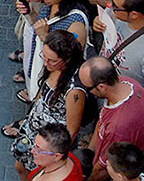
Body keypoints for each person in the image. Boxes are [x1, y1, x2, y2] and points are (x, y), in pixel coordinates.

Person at [9, 31, 86, 179]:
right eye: (44, 57)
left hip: (49, 143)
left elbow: (72, 130)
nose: (45, 63)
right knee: (20, 166)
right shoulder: (52, 67)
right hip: (34, 130)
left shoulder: (74, 91)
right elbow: (42, 93)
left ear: (67, 59)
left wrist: (52, 159)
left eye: (51, 60)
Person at [15, 0, 89, 101]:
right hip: (38, 65)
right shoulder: (53, 4)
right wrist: (30, 13)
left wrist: (44, 37)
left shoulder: (76, 22)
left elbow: (70, 58)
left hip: (53, 81)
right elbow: (41, 24)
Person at [79, 57, 144, 180]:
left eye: (88, 89)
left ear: (101, 87)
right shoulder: (128, 83)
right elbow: (102, 120)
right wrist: (90, 152)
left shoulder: (118, 127)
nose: (89, 93)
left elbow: (103, 168)